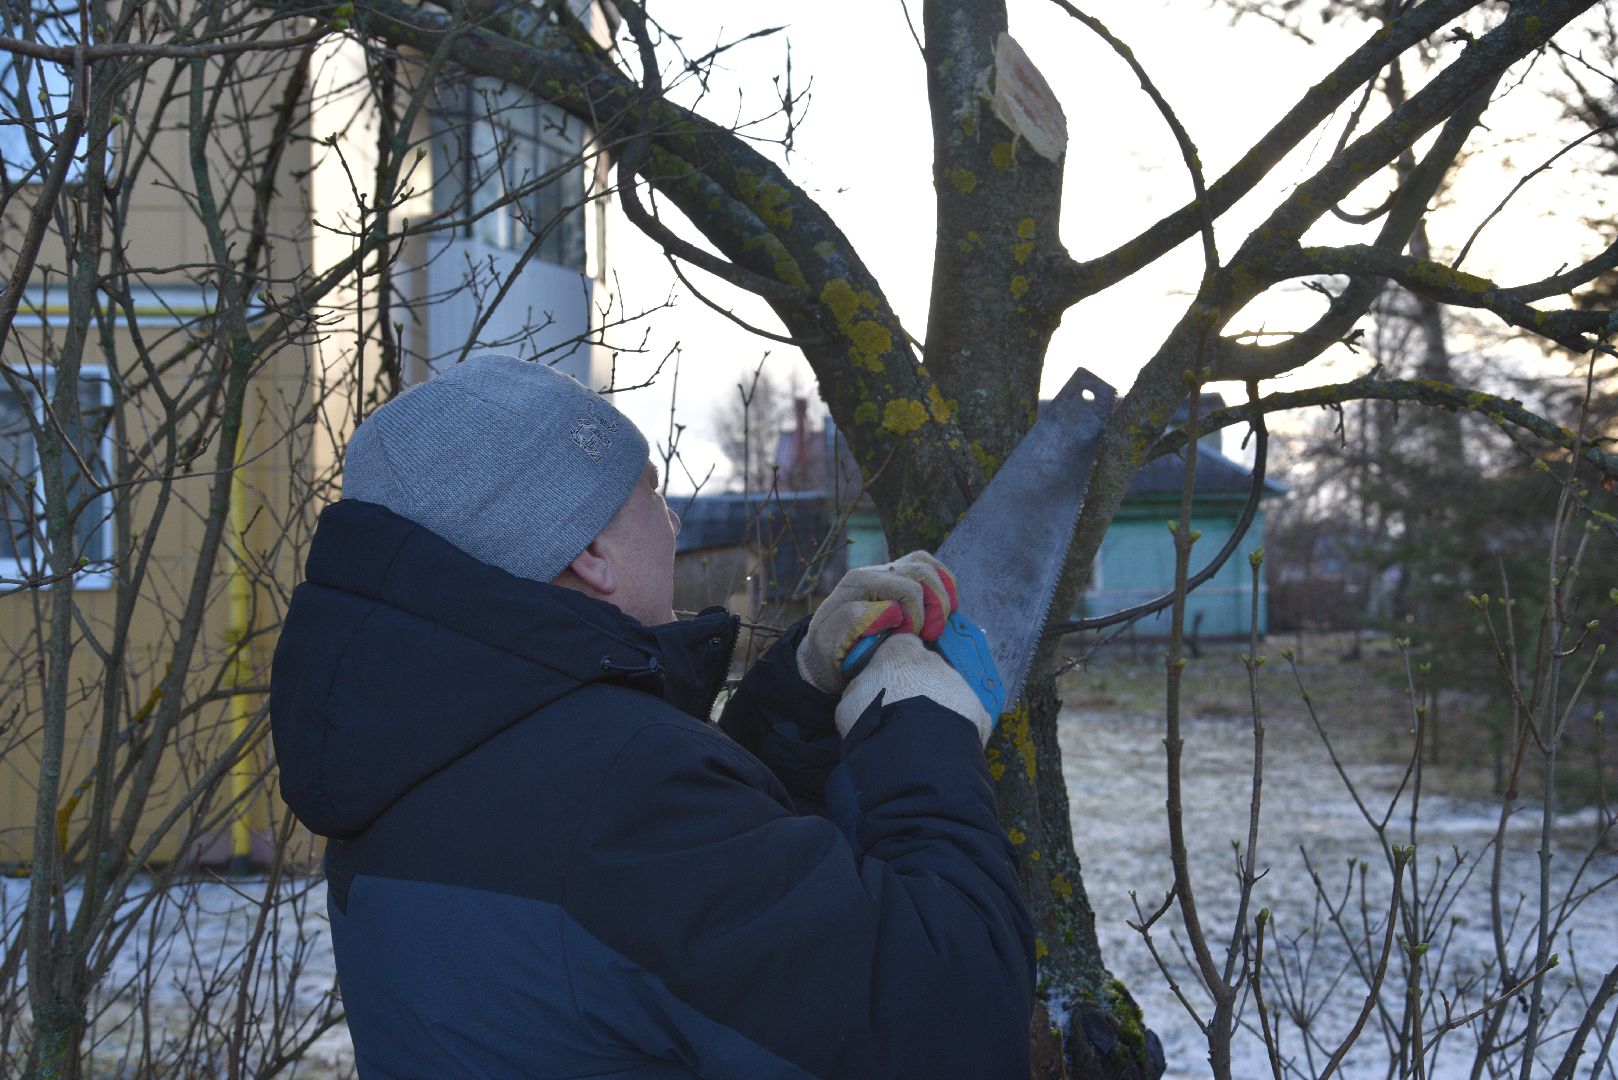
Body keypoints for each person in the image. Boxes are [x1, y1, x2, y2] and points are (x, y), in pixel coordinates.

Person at [270, 353, 1034, 1079]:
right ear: (594, 551)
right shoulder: (618, 800)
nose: (671, 524)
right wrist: (920, 728)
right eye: (651, 494)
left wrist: (799, 696)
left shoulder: (423, 752)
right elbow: (953, 1018)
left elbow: (689, 917)